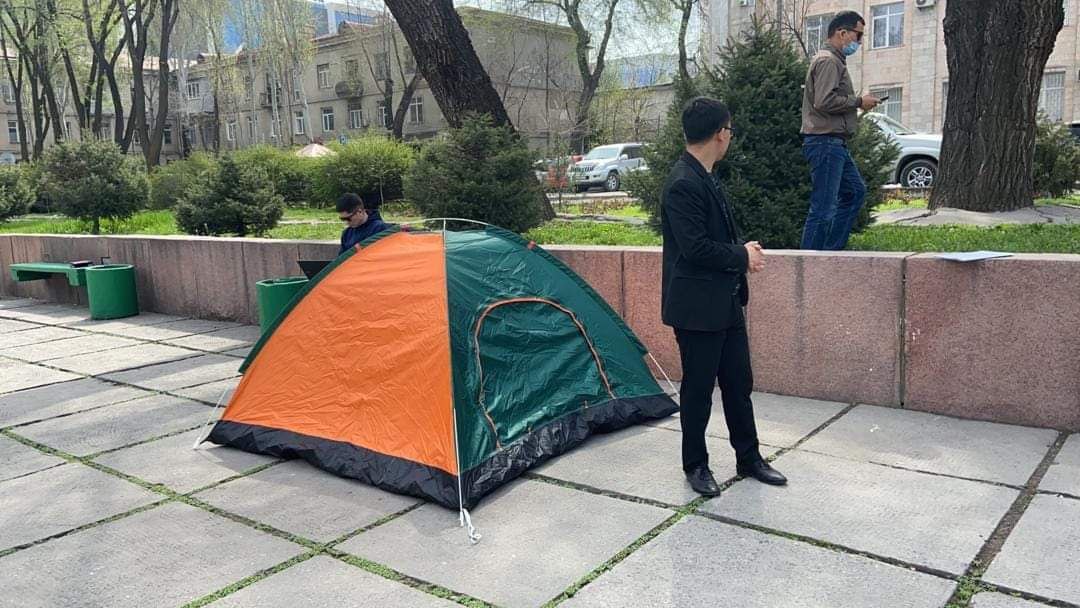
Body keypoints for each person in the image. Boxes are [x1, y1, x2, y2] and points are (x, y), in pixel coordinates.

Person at [660, 96, 787, 497]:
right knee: (698, 391)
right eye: (729, 129)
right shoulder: (683, 182)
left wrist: (740, 250)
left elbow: (712, 237)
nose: (730, 136)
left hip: (726, 300)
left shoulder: (705, 175)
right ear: (720, 134)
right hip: (697, 308)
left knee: (738, 384)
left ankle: (749, 457)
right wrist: (742, 256)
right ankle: (695, 465)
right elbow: (695, 248)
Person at [800, 10, 880, 251]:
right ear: (841, 33)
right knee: (823, 208)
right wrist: (858, 102)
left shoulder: (834, 60)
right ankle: (808, 263)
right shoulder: (828, 61)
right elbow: (824, 101)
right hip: (824, 141)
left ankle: (830, 254)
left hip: (833, 142)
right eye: (858, 35)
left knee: (855, 192)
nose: (860, 42)